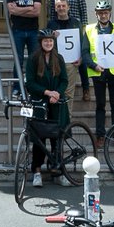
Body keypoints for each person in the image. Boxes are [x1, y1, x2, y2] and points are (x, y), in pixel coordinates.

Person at [24, 29, 69, 188]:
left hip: (56, 103)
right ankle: (37, 171)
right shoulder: (34, 58)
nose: (48, 43)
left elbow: (64, 80)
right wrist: (47, 92)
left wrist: (57, 93)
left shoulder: (59, 58)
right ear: (41, 42)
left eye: (50, 40)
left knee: (57, 138)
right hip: (40, 103)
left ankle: (58, 170)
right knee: (39, 139)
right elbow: (29, 82)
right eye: (45, 41)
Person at [81, 1, 114, 139]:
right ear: (96, 15)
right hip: (99, 72)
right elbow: (84, 52)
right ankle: (100, 136)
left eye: (105, 13)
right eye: (100, 13)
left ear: (110, 14)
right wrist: (93, 65)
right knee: (100, 105)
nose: (103, 15)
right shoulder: (90, 29)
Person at [50, 0, 90, 102]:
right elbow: (52, 13)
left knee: (81, 60)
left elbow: (84, 12)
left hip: (76, 29)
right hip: (61, 29)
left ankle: (86, 88)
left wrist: (84, 30)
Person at [5, 0, 41, 96]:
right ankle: (17, 87)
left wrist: (19, 10)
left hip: (33, 31)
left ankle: (33, 86)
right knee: (18, 59)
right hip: (18, 31)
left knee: (34, 59)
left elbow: (37, 12)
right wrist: (29, 8)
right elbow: (11, 11)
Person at [47, 0, 83, 105]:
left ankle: (67, 119)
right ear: (55, 8)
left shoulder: (76, 23)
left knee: (68, 93)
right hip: (55, 62)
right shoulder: (51, 24)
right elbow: (45, 43)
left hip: (71, 63)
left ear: (68, 7)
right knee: (55, 90)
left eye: (63, 6)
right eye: (58, 6)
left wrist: (81, 58)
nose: (61, 8)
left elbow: (81, 42)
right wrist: (51, 36)